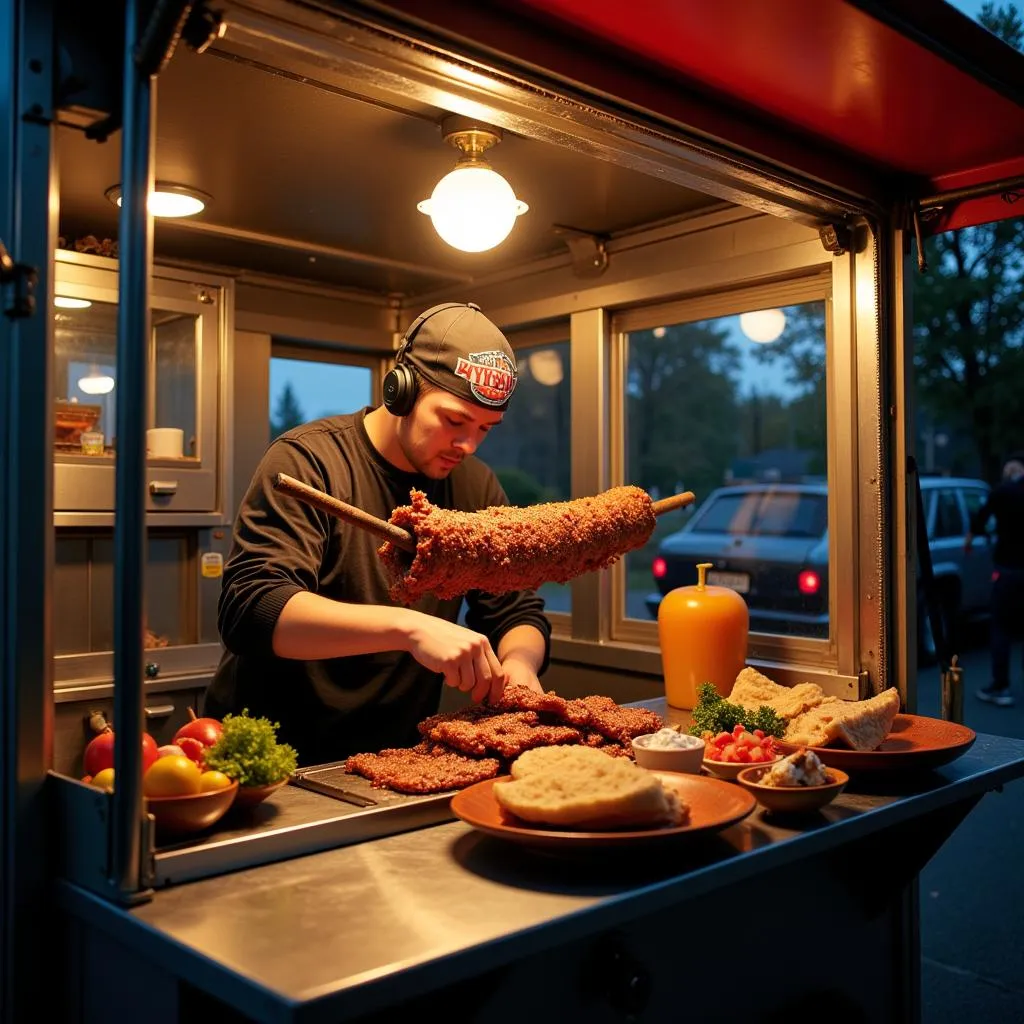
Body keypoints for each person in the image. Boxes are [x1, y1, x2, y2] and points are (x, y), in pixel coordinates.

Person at [205, 302, 551, 765]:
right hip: (274, 756)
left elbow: (515, 607)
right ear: (401, 391)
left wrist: (520, 665)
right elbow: (252, 610)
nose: (467, 445)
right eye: (453, 421)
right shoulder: (307, 463)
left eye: (485, 428)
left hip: (392, 754)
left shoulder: (475, 484)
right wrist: (410, 628)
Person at [965, 453, 1024, 707]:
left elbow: (980, 521)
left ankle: (1001, 686)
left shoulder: (1002, 492)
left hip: (1008, 569)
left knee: (1001, 627)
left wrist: (970, 537)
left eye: (1007, 467)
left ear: (1013, 468)